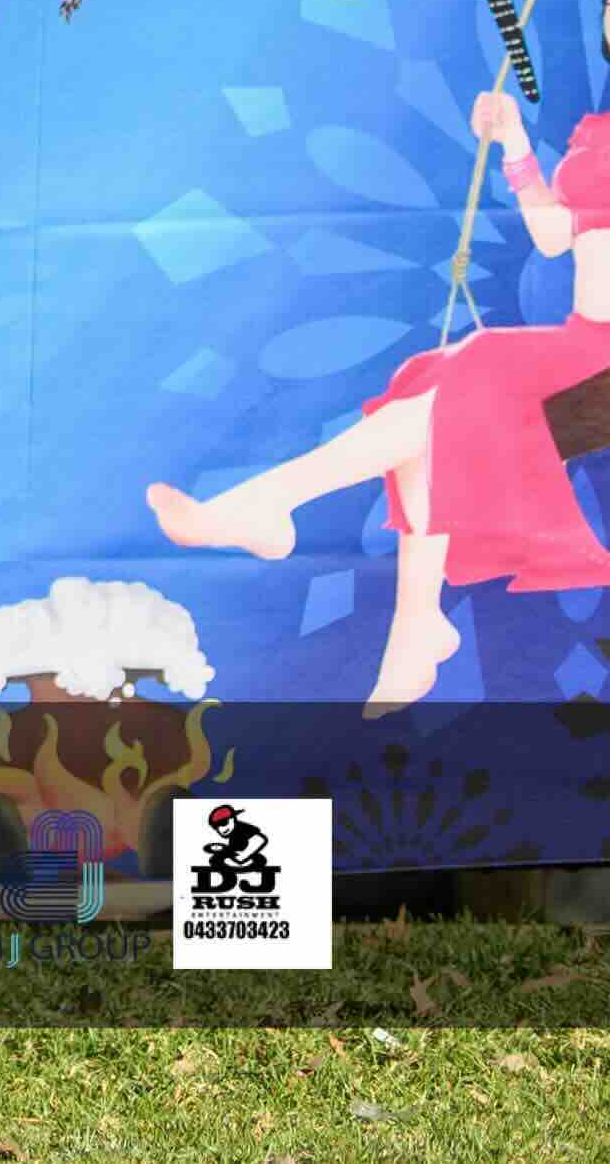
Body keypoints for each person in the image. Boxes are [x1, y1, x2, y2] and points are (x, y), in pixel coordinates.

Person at [146, 41, 610, 715]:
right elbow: (552, 236)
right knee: (432, 381)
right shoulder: (599, 137)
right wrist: (514, 144)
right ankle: (415, 624)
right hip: (581, 348)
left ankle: (268, 509)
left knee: (469, 374)